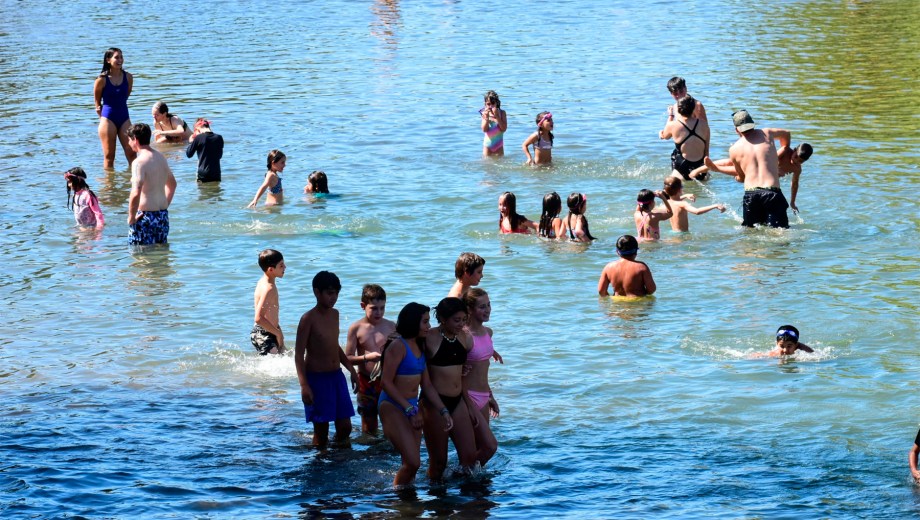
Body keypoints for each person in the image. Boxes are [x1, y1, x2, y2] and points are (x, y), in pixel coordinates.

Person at [377, 302, 452, 487]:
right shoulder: (398, 346)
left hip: (411, 406)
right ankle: (395, 496)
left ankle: (406, 502)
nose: (428, 326)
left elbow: (426, 385)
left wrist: (444, 411)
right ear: (412, 322)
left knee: (411, 465)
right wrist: (409, 408)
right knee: (413, 462)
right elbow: (385, 382)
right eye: (425, 322)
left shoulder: (420, 346)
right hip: (393, 405)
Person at [422, 297, 497, 480]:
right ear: (442, 318)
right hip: (435, 403)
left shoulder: (463, 337)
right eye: (456, 320)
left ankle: (462, 495)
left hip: (458, 401)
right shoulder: (429, 337)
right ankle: (437, 502)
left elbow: (476, 363)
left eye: (464, 320)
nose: (461, 324)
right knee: (439, 462)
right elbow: (406, 345)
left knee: (470, 458)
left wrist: (477, 402)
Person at [294, 271, 357, 447]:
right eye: (330, 293)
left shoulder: (335, 314)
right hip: (317, 379)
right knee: (321, 431)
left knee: (345, 427)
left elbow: (334, 346)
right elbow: (299, 354)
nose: (334, 297)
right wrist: (304, 386)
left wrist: (351, 370)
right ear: (317, 292)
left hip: (336, 376)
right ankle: (320, 462)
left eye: (336, 293)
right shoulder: (308, 319)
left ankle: (338, 455)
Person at [716, 110, 792, 228]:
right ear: (753, 124)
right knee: (781, 233)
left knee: (751, 235)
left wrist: (736, 178)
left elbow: (742, 178)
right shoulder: (767, 133)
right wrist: (785, 148)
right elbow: (786, 133)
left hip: (751, 194)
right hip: (772, 192)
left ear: (737, 130)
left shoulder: (734, 149)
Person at [697, 143, 813, 213]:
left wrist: (792, 202)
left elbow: (795, 184)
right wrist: (776, 169)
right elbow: (769, 159)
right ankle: (702, 169)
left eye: (800, 161)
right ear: (794, 150)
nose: (796, 161)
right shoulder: (785, 151)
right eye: (796, 156)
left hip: (762, 178)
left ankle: (715, 169)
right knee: (729, 162)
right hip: (759, 165)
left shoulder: (797, 169)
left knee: (740, 176)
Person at [344, 284, 396, 435]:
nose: (378, 312)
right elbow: (348, 358)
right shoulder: (356, 328)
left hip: (388, 381)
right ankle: (370, 453)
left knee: (390, 423)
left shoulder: (391, 326)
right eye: (374, 308)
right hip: (366, 382)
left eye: (382, 308)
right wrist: (367, 357)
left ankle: (387, 450)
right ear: (363, 306)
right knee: (368, 425)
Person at [126, 123, 177, 245]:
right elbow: (173, 184)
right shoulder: (160, 157)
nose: (128, 143)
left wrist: (131, 217)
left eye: (129, 140)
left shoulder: (139, 162)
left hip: (145, 217)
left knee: (140, 257)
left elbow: (135, 192)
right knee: (162, 258)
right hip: (162, 217)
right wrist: (165, 204)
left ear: (135, 140)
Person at [462, 288, 502, 423]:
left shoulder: (488, 333)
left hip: (484, 396)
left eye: (489, 305)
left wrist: (490, 396)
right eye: (482, 307)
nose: (488, 309)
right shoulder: (464, 337)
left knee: (484, 445)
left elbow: (482, 370)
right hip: (468, 396)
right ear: (469, 309)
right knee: (488, 444)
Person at [93, 48, 136, 169]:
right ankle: (109, 186)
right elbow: (97, 104)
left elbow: (125, 96)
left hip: (124, 117)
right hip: (108, 118)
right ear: (108, 60)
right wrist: (103, 118)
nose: (120, 60)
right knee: (109, 156)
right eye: (116, 57)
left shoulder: (128, 77)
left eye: (121, 57)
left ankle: (134, 181)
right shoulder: (101, 80)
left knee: (132, 153)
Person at [659, 95, 710, 181]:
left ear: (678, 110)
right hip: (701, 168)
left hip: (682, 167)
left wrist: (670, 115)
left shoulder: (673, 125)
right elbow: (706, 151)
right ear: (694, 108)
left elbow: (664, 136)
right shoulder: (704, 125)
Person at [250, 249, 286, 356]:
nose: (285, 267)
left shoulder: (263, 282)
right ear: (270, 269)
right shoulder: (269, 288)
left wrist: (278, 332)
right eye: (281, 265)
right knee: (276, 367)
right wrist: (278, 334)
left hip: (270, 330)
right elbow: (258, 318)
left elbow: (270, 314)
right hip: (263, 333)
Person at [185, 119, 224, 183]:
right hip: (216, 173)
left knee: (202, 192)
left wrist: (191, 142)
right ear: (208, 126)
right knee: (216, 191)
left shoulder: (199, 137)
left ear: (197, 129)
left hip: (203, 173)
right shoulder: (219, 137)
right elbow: (220, 156)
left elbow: (189, 154)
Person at [480, 90, 508, 157]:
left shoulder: (502, 113)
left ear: (497, 103)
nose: (490, 106)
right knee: (487, 164)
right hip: (488, 146)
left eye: (493, 103)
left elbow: (503, 129)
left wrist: (497, 117)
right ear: (485, 104)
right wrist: (486, 118)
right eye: (488, 104)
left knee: (500, 163)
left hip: (499, 146)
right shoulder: (484, 114)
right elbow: (484, 130)